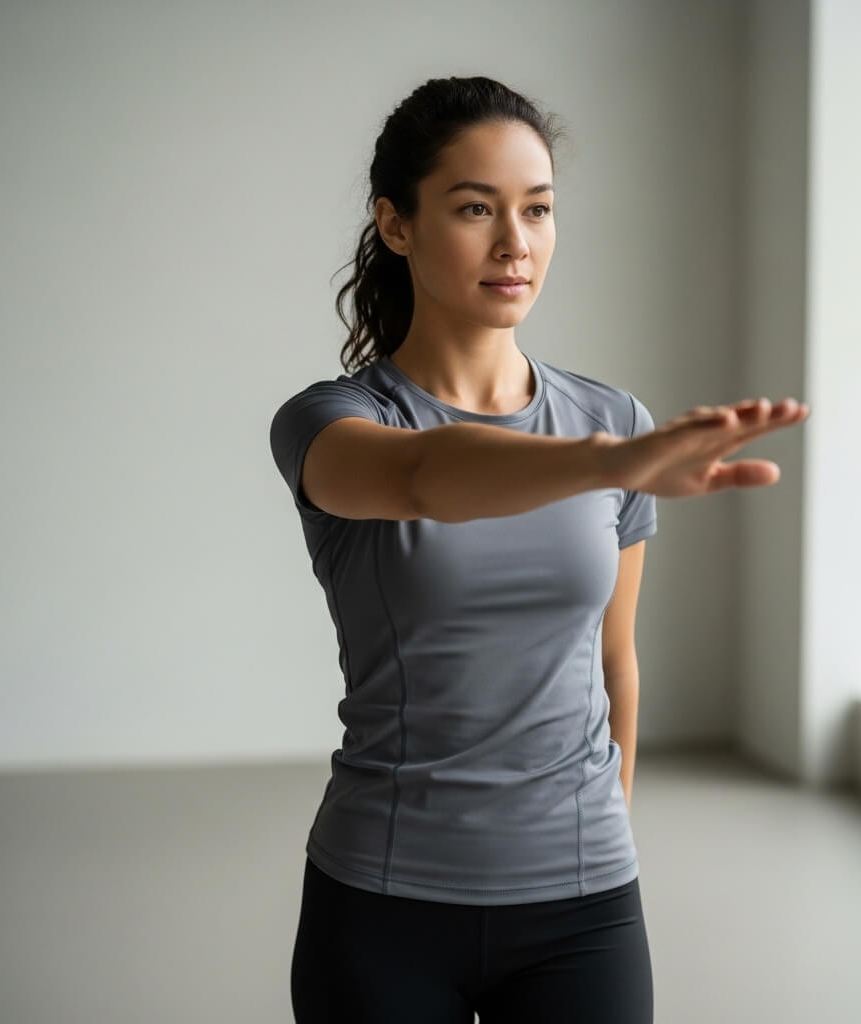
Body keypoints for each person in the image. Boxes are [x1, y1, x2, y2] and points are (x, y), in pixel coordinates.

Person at [270, 75, 809, 1024]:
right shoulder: (334, 421)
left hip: (583, 905)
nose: (516, 243)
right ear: (396, 225)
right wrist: (616, 464)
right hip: (384, 901)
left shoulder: (612, 417)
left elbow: (614, 659)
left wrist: (606, 838)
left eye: (539, 209)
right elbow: (424, 478)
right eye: (476, 208)